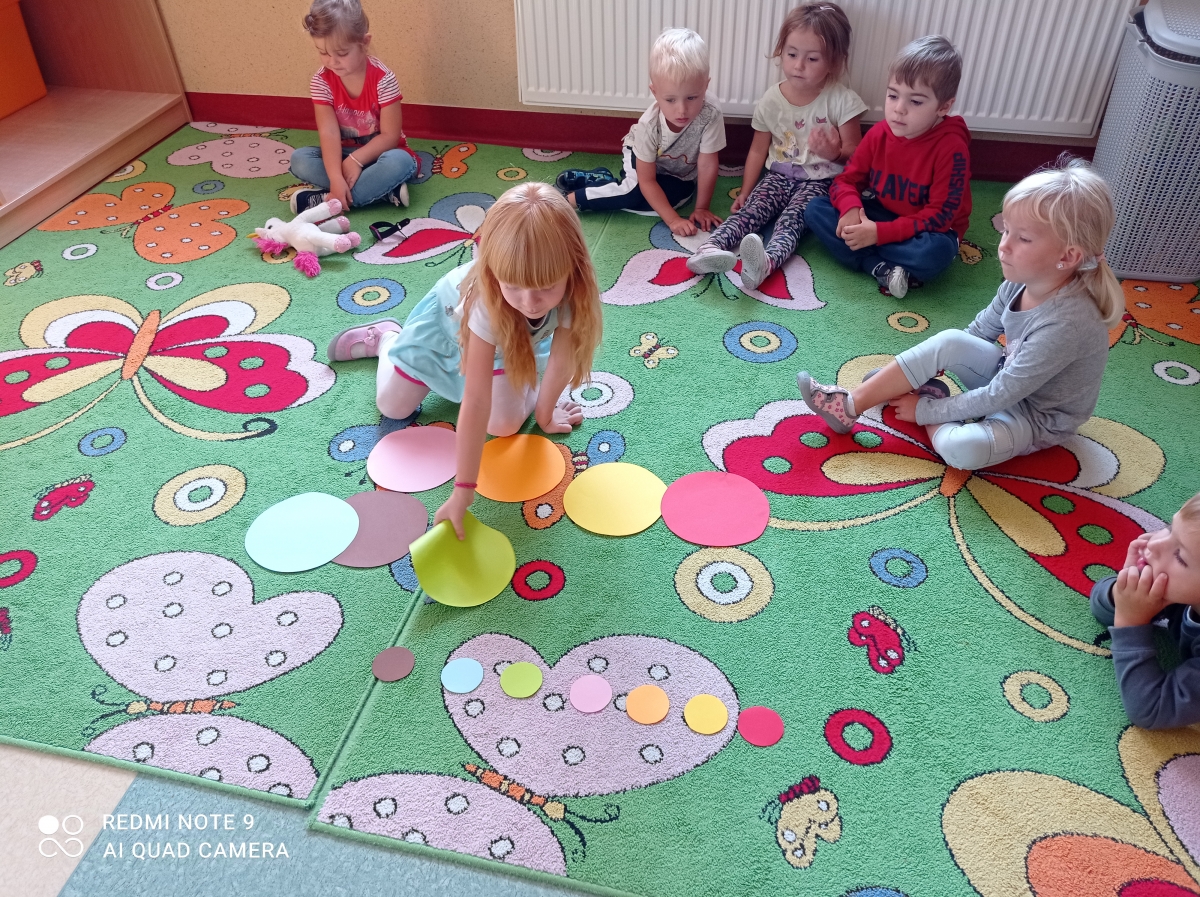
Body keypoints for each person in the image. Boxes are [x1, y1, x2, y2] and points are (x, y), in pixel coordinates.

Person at [797, 158, 1124, 473]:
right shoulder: (1021, 282)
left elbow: (1001, 395)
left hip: (1035, 418)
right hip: (1006, 375)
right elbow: (975, 335)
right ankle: (849, 404)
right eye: (1006, 231)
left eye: (1023, 238)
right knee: (951, 340)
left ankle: (926, 397)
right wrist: (927, 367)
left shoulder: (1066, 324)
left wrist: (926, 410)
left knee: (964, 449)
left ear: (1068, 256)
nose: (1004, 246)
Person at [326, 183, 603, 538]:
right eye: (513, 286)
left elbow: (562, 362)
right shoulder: (487, 302)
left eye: (546, 287)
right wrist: (463, 491)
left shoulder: (574, 289)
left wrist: (545, 416)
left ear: (573, 267)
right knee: (392, 407)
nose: (530, 302)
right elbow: (475, 400)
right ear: (493, 271)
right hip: (445, 332)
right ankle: (387, 339)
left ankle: (521, 374)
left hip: (508, 345)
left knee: (504, 424)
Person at [687, 3, 866, 290]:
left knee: (790, 223)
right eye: (792, 54)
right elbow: (757, 150)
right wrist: (746, 190)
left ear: (834, 61)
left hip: (819, 183)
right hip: (778, 176)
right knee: (750, 212)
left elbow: (857, 154)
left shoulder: (842, 100)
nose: (798, 65)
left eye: (812, 58)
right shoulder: (771, 99)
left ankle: (765, 264)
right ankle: (709, 248)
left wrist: (834, 153)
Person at [805, 34, 971, 298]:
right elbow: (846, 180)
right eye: (893, 95)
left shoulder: (952, 148)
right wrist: (851, 209)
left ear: (944, 106)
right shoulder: (879, 133)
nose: (898, 109)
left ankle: (869, 258)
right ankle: (880, 267)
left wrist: (878, 234)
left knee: (935, 253)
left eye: (915, 101)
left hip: (928, 230)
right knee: (816, 210)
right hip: (881, 212)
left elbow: (939, 217)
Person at [557, 28, 726, 236]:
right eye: (670, 100)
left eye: (692, 98)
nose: (682, 110)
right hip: (641, 158)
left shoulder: (711, 112)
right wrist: (673, 220)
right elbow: (647, 181)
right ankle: (568, 200)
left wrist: (701, 208)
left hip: (677, 172)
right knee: (634, 193)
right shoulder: (649, 125)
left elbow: (707, 163)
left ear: (705, 86)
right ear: (655, 92)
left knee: (678, 200)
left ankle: (604, 182)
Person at [288, 0, 419, 213]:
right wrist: (336, 177)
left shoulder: (383, 79)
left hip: (383, 155)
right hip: (341, 155)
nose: (332, 62)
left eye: (341, 53)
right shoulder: (321, 82)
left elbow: (390, 136)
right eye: (323, 52)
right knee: (300, 159)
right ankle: (382, 192)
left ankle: (325, 201)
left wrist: (356, 161)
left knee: (400, 163)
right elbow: (329, 133)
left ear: (364, 43)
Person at [1090, 492, 1200, 729]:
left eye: (1180, 556)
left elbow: (1151, 709)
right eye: (1169, 529)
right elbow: (1100, 605)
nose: (1153, 543)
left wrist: (1131, 620)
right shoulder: (1183, 592)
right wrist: (1125, 592)